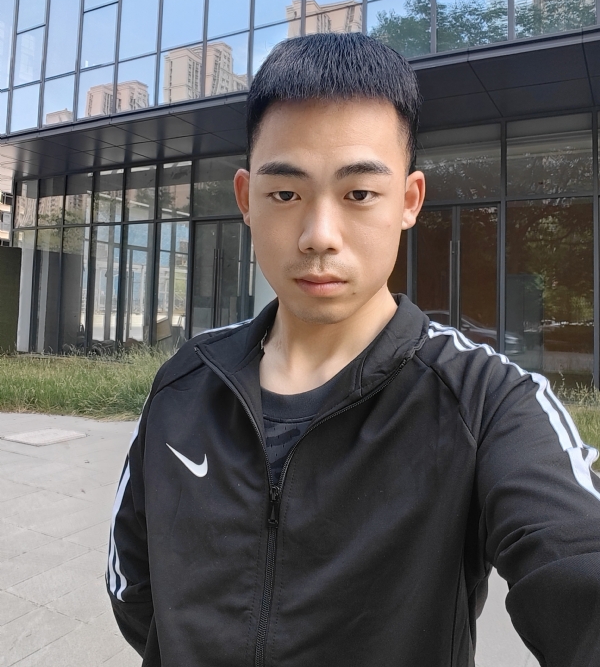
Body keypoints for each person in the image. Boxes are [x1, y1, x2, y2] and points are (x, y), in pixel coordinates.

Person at [107, 33, 600, 667]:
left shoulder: (487, 400)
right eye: (286, 194)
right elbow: (134, 587)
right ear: (246, 200)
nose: (319, 236)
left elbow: (575, 563)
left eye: (359, 193)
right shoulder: (185, 381)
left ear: (409, 201)